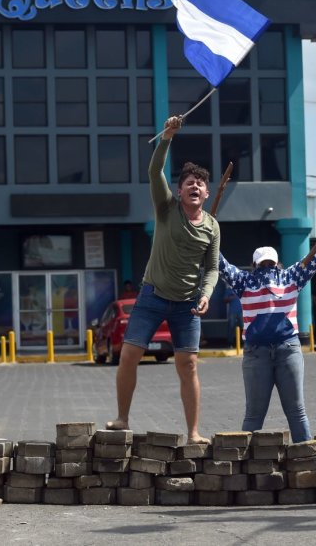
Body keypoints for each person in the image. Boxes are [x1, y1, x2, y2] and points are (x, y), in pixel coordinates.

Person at [106, 116, 220, 445]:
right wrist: (167, 138)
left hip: (187, 304)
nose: (194, 187)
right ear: (180, 189)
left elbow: (211, 268)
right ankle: (122, 418)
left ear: (207, 192)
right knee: (129, 354)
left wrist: (207, 293)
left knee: (189, 364)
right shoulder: (166, 207)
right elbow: (154, 171)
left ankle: (194, 432)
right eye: (189, 183)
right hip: (152, 296)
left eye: (200, 184)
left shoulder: (212, 227)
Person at [218, 208, 316, 442]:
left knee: (292, 412)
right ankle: (248, 468)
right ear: (256, 265)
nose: (267, 269)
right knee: (263, 415)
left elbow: (219, 262)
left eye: (270, 265)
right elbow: (219, 262)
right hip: (263, 352)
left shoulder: (253, 280)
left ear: (275, 263)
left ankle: (305, 461)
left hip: (282, 350)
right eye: (264, 265)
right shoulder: (283, 277)